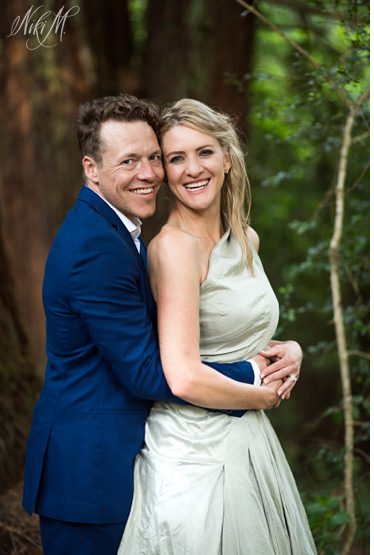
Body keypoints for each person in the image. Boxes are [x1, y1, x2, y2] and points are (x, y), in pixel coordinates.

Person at [22, 94, 300, 555]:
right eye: (129, 161)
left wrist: (285, 350)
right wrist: (256, 377)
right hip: (90, 469)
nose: (149, 173)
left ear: (228, 159)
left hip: (126, 454)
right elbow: (153, 371)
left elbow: (182, 333)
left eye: (153, 158)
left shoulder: (119, 231)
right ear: (91, 168)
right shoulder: (97, 246)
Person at [117, 98, 316, 554]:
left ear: (228, 157)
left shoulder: (246, 238)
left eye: (204, 152)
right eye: (176, 158)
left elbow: (248, 331)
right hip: (193, 452)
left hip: (249, 439)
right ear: (164, 173)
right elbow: (183, 374)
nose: (192, 169)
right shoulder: (173, 250)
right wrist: (262, 396)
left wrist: (293, 350)